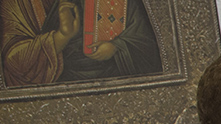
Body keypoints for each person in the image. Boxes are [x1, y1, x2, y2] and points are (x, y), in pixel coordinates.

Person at [1, 0, 162, 87]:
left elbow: (147, 42)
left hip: (116, 87)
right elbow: (12, 61)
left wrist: (116, 47)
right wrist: (61, 37)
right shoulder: (19, 4)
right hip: (58, 97)